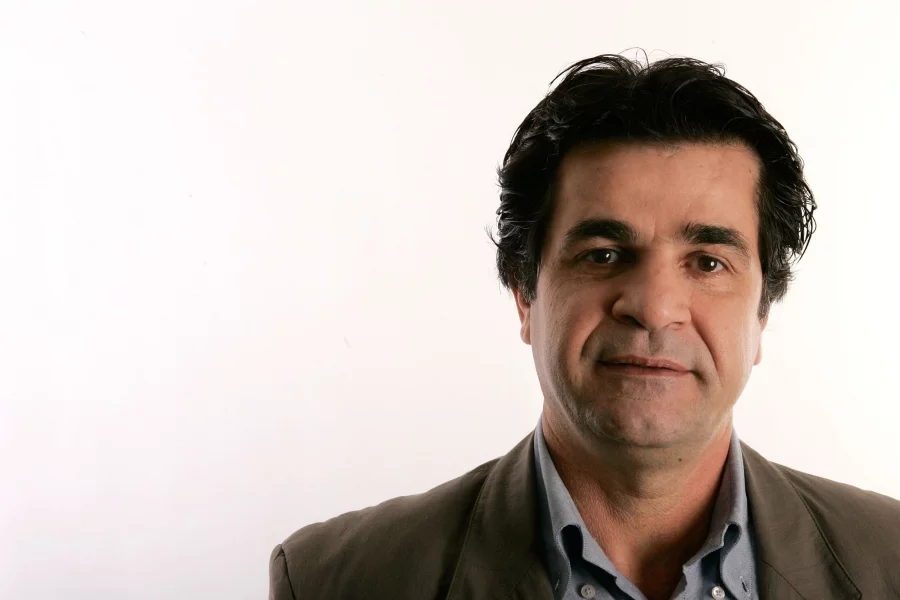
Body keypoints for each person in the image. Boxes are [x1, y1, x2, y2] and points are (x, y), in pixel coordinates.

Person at [268, 54, 900, 600]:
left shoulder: (889, 560)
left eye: (708, 263)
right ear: (524, 293)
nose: (654, 307)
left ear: (762, 312)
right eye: (603, 254)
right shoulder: (336, 580)